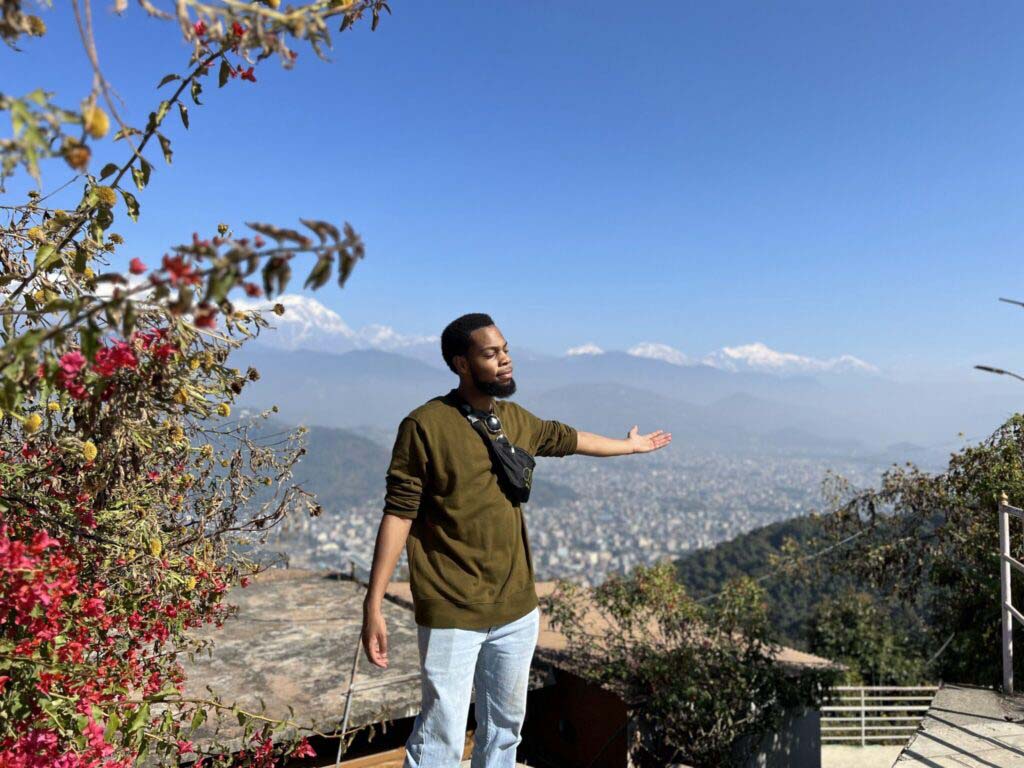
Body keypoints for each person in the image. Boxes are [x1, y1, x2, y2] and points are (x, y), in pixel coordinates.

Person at [360, 312, 672, 768]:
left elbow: (570, 438)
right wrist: (373, 604)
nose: (505, 360)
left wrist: (631, 447)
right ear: (461, 363)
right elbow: (398, 514)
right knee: (440, 735)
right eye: (491, 353)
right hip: (451, 609)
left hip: (516, 609)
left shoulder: (512, 420)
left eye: (505, 350)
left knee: (505, 730)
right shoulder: (425, 425)